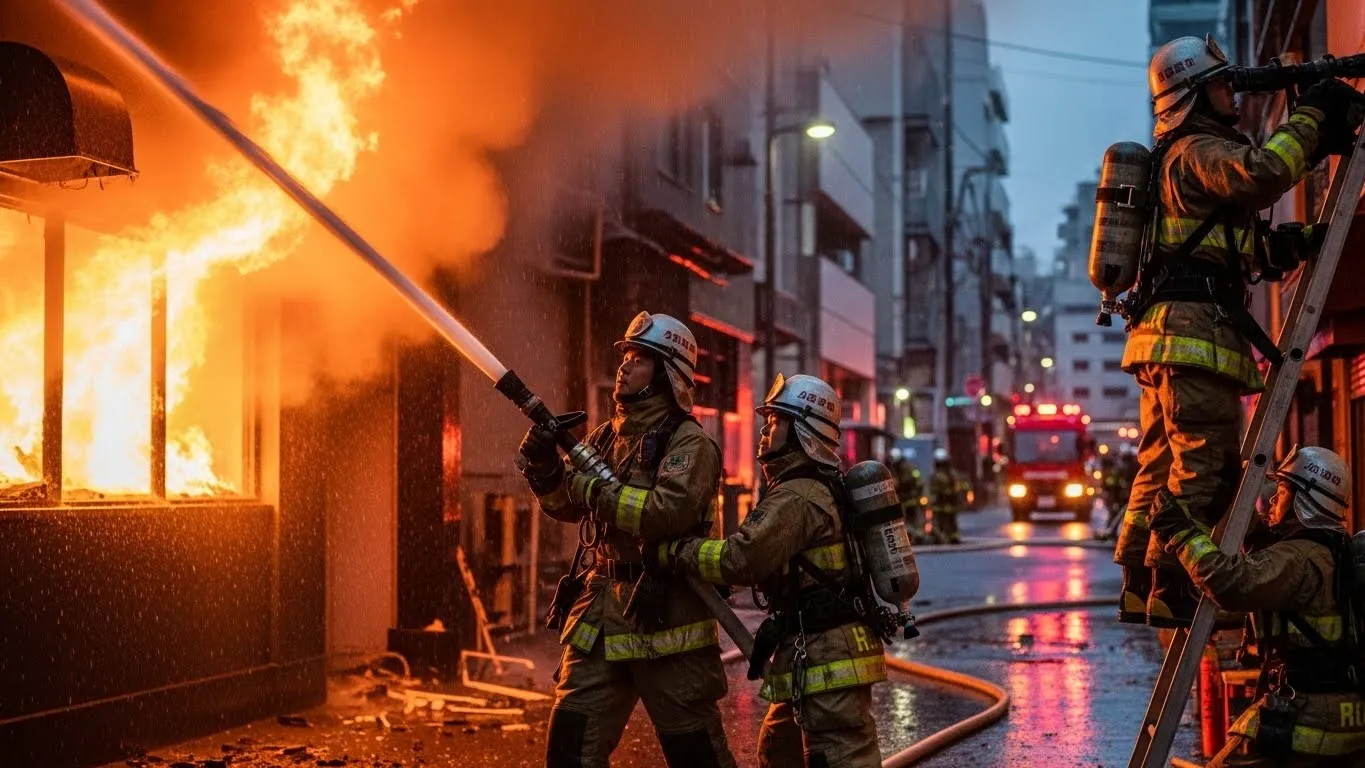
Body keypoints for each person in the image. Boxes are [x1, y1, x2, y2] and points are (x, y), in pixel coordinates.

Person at [1116, 33, 1362, 628]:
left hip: (1167, 337)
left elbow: (1220, 249)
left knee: (1159, 463)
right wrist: (1311, 116)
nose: (1234, 93)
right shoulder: (1197, 148)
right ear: (1195, 96)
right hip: (1193, 336)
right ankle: (1172, 587)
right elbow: (1262, 172)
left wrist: (1287, 245)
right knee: (1210, 464)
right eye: (1222, 84)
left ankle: (1137, 578)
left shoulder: (1178, 160)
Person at [516, 311, 736, 768]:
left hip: (666, 619)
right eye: (626, 356)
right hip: (600, 618)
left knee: (696, 757)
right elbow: (565, 506)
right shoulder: (604, 437)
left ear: (667, 374)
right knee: (569, 748)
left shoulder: (690, 444)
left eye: (639, 358)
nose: (624, 366)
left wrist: (592, 488)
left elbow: (665, 513)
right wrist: (544, 470)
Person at [648, 373, 898, 768]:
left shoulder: (799, 495)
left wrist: (680, 551)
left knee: (839, 758)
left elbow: (741, 559)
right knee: (778, 752)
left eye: (777, 421)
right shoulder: (810, 486)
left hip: (828, 658)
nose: (765, 430)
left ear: (802, 430)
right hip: (810, 652)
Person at [1148, 446, 1365, 766]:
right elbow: (1265, 552)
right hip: (1343, 710)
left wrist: (1180, 533)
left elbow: (1235, 583)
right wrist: (1237, 495)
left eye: (1282, 490)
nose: (1274, 499)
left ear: (1305, 499)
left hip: (1308, 714)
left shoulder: (1300, 557)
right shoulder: (1331, 547)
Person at [929, 448, 964, 545]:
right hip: (946, 504)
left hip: (944, 503)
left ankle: (946, 537)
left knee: (945, 521)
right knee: (949, 521)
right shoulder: (951, 474)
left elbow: (955, 489)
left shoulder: (940, 475)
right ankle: (949, 537)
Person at [891, 449, 926, 543]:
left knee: (909, 518)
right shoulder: (908, 467)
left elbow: (904, 482)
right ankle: (917, 535)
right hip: (911, 498)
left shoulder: (904, 468)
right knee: (914, 518)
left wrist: (896, 483)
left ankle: (914, 536)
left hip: (908, 498)